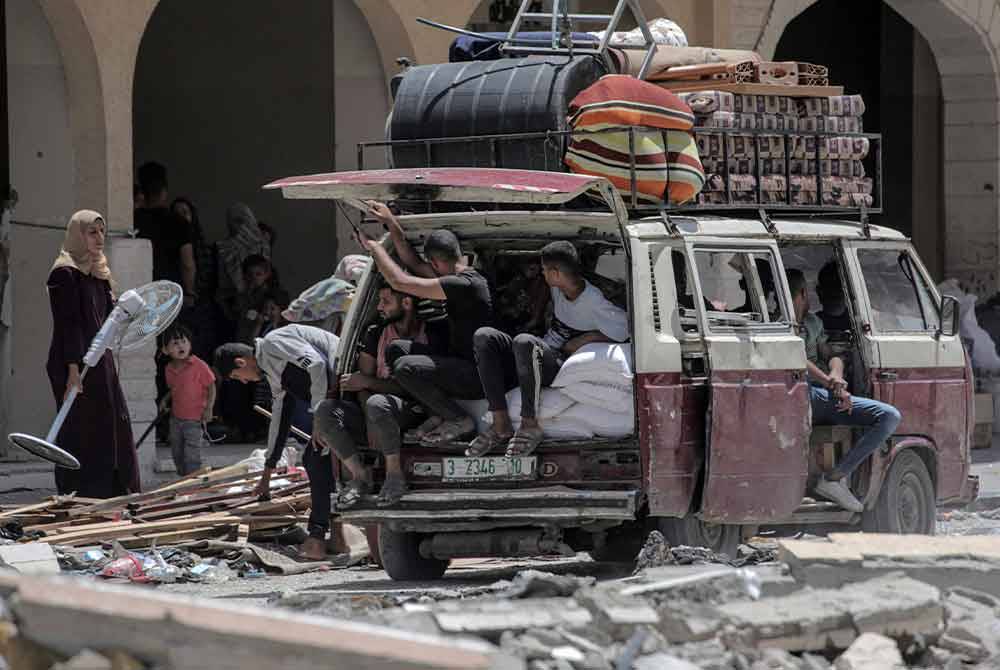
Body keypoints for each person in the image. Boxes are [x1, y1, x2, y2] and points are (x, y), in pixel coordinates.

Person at [470, 241, 629, 457]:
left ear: (555, 273)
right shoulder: (558, 289)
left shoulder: (596, 301)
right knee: (484, 337)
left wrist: (587, 339)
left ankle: (529, 424)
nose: (543, 274)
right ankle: (500, 422)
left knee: (525, 342)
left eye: (545, 270)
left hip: (557, 364)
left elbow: (624, 333)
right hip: (535, 356)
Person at [354, 201, 492, 445]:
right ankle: (437, 413)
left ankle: (459, 418)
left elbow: (399, 282)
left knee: (405, 366)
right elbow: (414, 263)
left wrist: (374, 248)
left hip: (476, 376)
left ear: (437, 263)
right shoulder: (457, 276)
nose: (428, 268)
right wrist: (391, 223)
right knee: (396, 348)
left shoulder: (464, 285)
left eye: (431, 265)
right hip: (460, 365)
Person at [787, 268, 901, 512]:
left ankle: (836, 477)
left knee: (888, 416)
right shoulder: (778, 326)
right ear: (803, 294)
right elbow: (794, 358)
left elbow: (833, 355)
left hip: (824, 394)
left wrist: (836, 378)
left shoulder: (813, 323)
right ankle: (834, 480)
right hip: (802, 393)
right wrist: (830, 384)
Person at [214, 324, 339, 547]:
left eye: (237, 375)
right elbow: (280, 418)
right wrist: (267, 475)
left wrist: (320, 417)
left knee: (315, 456)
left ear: (241, 362)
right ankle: (329, 533)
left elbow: (317, 364)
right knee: (317, 457)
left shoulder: (273, 342)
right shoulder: (271, 370)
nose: (243, 381)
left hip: (341, 384)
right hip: (333, 398)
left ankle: (318, 536)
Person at [46, 210, 140, 497]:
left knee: (113, 422)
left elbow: (110, 320)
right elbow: (69, 325)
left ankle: (114, 493)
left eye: (102, 231)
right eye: (92, 232)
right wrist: (73, 372)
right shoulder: (65, 273)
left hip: (101, 360)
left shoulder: (99, 272)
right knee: (81, 428)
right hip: (73, 361)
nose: (99, 238)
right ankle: (81, 492)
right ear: (78, 235)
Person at [315, 286, 428, 522]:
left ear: (406, 303)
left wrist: (368, 385)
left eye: (386, 302)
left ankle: (394, 475)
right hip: (378, 409)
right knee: (325, 411)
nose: (379, 308)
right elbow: (361, 384)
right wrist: (369, 416)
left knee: (378, 403)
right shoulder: (376, 332)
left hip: (417, 410)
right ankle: (360, 476)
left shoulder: (429, 334)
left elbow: (417, 389)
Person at [162, 324, 216, 476]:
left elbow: (211, 386)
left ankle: (192, 484)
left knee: (192, 455)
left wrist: (209, 408)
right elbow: (174, 389)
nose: (181, 346)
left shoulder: (198, 365)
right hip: (176, 419)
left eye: (184, 342)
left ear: (190, 344)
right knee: (177, 453)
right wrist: (165, 401)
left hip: (194, 419)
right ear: (166, 350)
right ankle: (184, 480)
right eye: (175, 343)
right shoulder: (168, 369)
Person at [216, 203, 269, 337]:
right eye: (233, 221)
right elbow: (221, 279)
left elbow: (266, 269)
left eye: (241, 220)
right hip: (231, 302)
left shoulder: (262, 244)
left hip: (260, 299)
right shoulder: (223, 248)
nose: (238, 226)